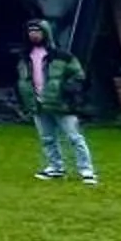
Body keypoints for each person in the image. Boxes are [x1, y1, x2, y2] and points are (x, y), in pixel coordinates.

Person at [17, 20, 98, 185]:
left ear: (46, 33)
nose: (33, 34)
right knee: (47, 138)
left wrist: (69, 91)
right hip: (38, 104)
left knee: (75, 137)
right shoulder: (25, 58)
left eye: (37, 31)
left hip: (62, 104)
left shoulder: (62, 56)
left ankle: (86, 170)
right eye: (30, 31)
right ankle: (55, 167)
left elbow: (78, 76)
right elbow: (23, 80)